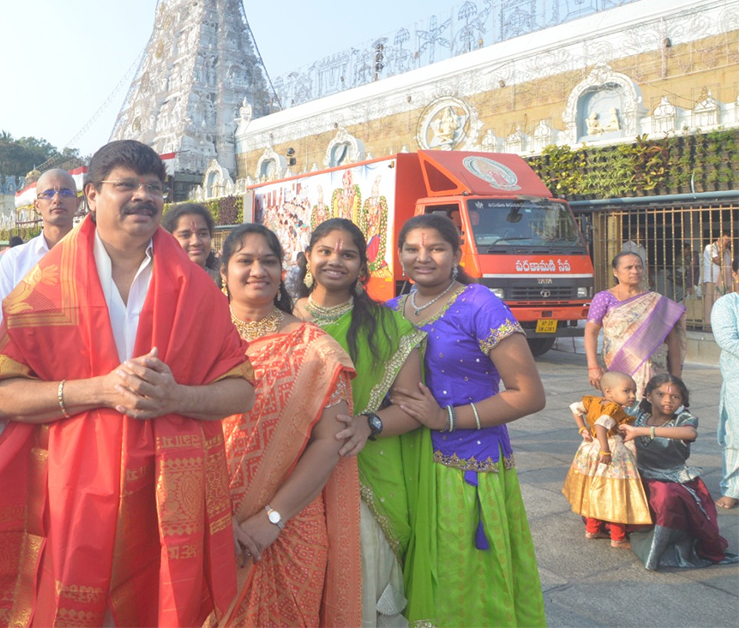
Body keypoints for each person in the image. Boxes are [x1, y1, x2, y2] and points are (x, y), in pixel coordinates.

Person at [0, 140, 254, 628]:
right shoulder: (42, 287)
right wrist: (99, 389)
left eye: (154, 187)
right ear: (91, 196)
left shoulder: (195, 288)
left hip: (166, 502)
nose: (143, 196)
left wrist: (177, 397)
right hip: (70, 498)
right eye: (127, 185)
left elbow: (241, 389)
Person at [387, 213, 546, 627]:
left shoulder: (481, 305)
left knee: (462, 578)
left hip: (462, 465)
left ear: (457, 254)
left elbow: (528, 394)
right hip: (404, 461)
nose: (424, 257)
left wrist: (445, 419)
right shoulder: (390, 310)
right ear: (399, 255)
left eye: (436, 248)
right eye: (413, 249)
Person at [213, 223, 359, 627]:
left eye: (269, 261)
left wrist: (272, 519)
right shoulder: (196, 341)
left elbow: (332, 442)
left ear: (283, 273)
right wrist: (214, 519)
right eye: (245, 260)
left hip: (287, 529)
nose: (258, 269)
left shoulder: (316, 348)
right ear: (223, 272)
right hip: (205, 521)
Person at [293, 218, 430, 626]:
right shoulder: (282, 316)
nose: (335, 261)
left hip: (360, 471)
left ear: (361, 267)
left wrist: (369, 423)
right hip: (285, 468)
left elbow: (413, 406)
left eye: (348, 254)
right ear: (307, 258)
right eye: (325, 252)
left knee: (355, 579)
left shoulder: (387, 327)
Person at [620, 374, 737, 570]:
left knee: (666, 496)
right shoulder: (638, 416)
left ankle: (658, 549)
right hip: (641, 475)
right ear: (648, 396)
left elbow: (690, 433)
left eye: (675, 397)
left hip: (672, 480)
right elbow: (604, 408)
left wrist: (644, 431)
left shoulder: (683, 419)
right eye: (660, 394)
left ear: (682, 401)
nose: (667, 400)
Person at [0, 168, 78, 346]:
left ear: (78, 201)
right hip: (26, 365)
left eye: (65, 192)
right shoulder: (15, 259)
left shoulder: (95, 255)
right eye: (48, 193)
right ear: (36, 205)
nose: (57, 199)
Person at [563, 371, 650, 548]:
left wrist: (582, 429)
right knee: (615, 493)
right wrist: (606, 450)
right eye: (627, 391)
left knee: (596, 490)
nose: (632, 396)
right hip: (611, 451)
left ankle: (592, 529)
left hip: (591, 449)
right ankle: (618, 538)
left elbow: (575, 408)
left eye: (633, 391)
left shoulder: (594, 402)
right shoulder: (614, 409)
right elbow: (601, 425)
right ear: (609, 392)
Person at [585, 251, 685, 397]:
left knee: (654, 414)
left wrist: (676, 376)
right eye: (629, 267)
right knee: (620, 413)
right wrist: (593, 366)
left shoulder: (656, 301)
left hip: (655, 371)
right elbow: (590, 333)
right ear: (615, 272)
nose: (635, 271)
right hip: (619, 368)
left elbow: (671, 339)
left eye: (639, 267)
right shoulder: (604, 298)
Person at [711, 266, 739, 510]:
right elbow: (727, 339)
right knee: (736, 435)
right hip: (737, 380)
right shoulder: (727, 304)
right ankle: (733, 489)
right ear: (736, 274)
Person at [162, 201, 221, 286]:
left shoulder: (224, 281)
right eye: (186, 235)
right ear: (170, 240)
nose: (196, 242)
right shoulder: (162, 283)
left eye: (203, 234)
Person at [702, 231, 733, 327]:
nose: (726, 243)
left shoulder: (727, 251)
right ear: (719, 239)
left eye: (728, 242)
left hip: (724, 281)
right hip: (712, 278)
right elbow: (718, 261)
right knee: (710, 301)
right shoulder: (710, 248)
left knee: (722, 302)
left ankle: (720, 324)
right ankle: (708, 324)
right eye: (725, 241)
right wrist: (721, 250)